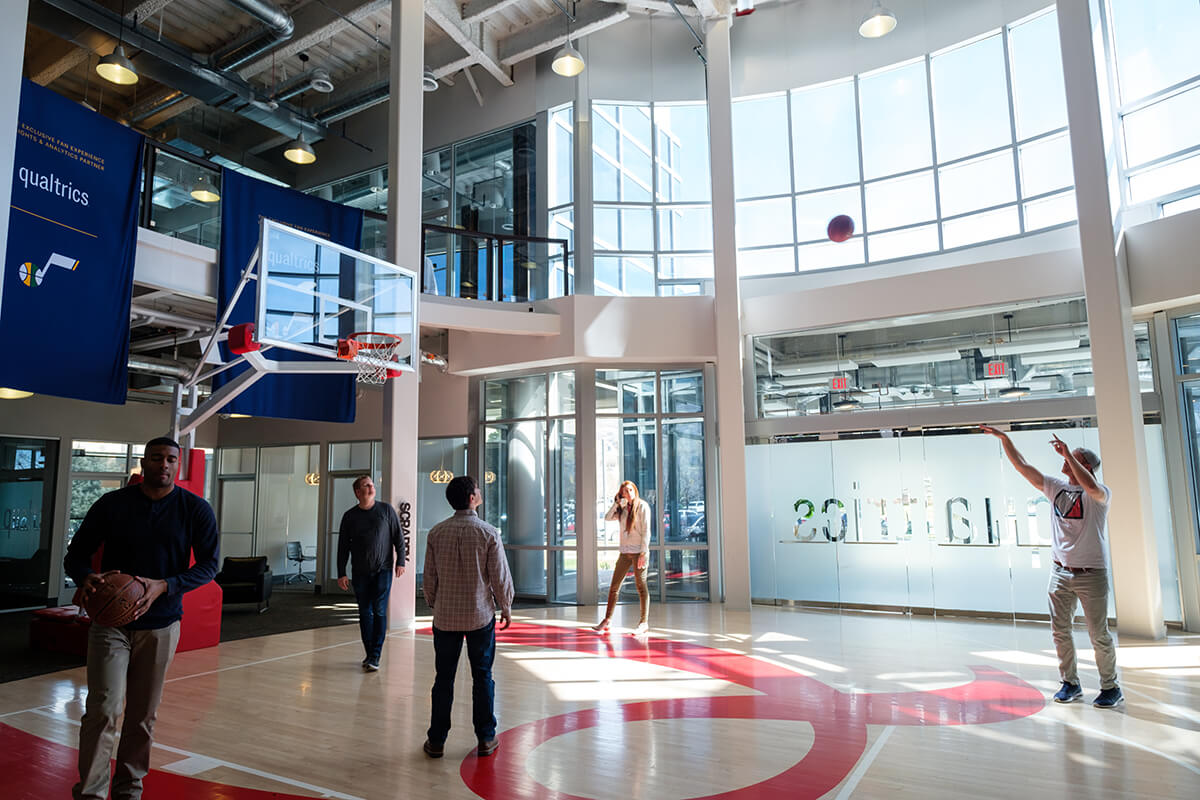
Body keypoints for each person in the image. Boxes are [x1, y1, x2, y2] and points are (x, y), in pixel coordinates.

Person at [63, 437, 219, 800]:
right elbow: (77, 553)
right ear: (143, 463)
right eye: (156, 458)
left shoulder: (195, 509)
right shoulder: (112, 504)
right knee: (103, 707)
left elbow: (210, 564)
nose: (163, 465)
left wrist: (166, 585)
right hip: (110, 624)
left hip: (162, 623)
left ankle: (129, 789)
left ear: (177, 465)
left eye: (170, 459)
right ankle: (90, 792)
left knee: (142, 716)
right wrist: (85, 576)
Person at [980, 425, 1122, 708]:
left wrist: (1069, 453)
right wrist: (1005, 439)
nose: (1064, 460)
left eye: (1073, 458)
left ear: (1085, 465)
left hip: (1090, 574)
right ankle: (1070, 683)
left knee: (1098, 634)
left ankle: (1111, 687)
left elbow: (1090, 485)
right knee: (1060, 631)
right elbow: (1022, 466)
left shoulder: (1100, 494)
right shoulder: (1056, 487)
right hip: (1060, 572)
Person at [422, 475, 514, 759]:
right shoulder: (488, 533)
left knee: (444, 679)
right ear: (472, 498)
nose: (480, 491)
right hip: (479, 616)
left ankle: (436, 740)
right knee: (483, 676)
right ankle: (486, 737)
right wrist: (506, 606)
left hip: (445, 618)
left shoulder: (436, 533)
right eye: (478, 489)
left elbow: (429, 578)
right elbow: (499, 577)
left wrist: (435, 603)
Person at [336, 475, 406, 671]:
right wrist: (341, 572)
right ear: (358, 492)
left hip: (383, 569)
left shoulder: (386, 510)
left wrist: (401, 561)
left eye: (372, 484)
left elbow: (398, 538)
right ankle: (369, 654)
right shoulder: (349, 516)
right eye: (366, 485)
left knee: (379, 609)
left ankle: (375, 655)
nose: (371, 487)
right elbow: (342, 547)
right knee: (364, 612)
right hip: (359, 572)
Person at [593, 480, 652, 634]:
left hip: (640, 552)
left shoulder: (643, 507)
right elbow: (607, 517)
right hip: (624, 553)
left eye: (630, 490)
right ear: (621, 494)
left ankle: (643, 623)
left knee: (641, 587)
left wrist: (644, 553)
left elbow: (646, 531)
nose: (628, 493)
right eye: (625, 491)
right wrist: (617, 504)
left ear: (635, 491)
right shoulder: (622, 510)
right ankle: (607, 620)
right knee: (614, 587)